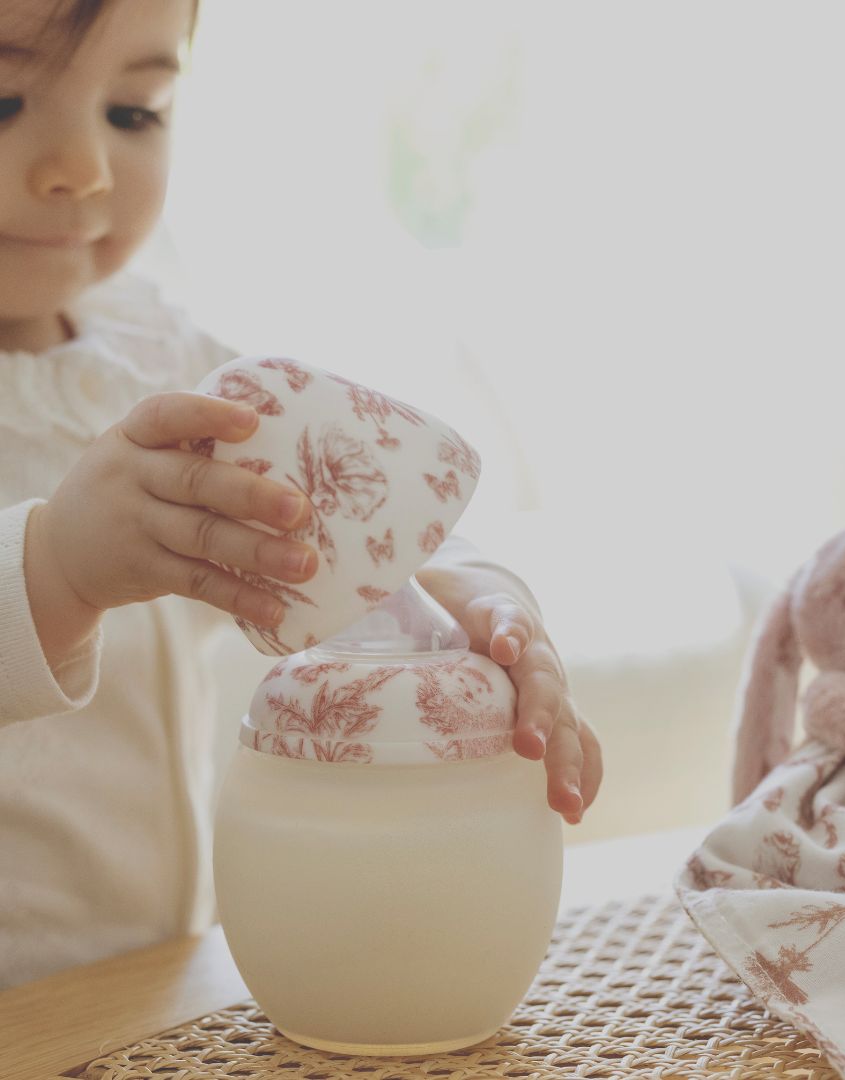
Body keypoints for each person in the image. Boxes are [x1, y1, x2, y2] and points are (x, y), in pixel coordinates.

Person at [0, 0, 602, 990]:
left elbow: (353, 513)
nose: (85, 169)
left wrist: (481, 599)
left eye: (134, 111)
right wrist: (58, 567)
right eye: (5, 98)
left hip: (156, 986)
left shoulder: (161, 352)